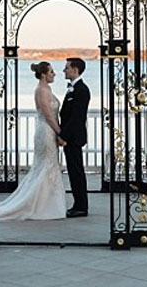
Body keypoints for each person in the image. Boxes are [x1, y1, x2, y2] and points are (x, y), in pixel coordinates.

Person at [0, 61, 66, 221]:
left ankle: (47, 202)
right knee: (45, 165)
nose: (54, 74)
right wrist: (61, 133)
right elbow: (48, 115)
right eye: (52, 72)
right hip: (46, 130)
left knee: (50, 165)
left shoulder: (47, 88)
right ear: (44, 74)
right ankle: (37, 204)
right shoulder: (41, 90)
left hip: (50, 130)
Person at [59, 57, 90, 218]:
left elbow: (76, 118)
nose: (64, 71)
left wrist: (63, 136)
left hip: (73, 138)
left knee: (76, 172)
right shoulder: (74, 88)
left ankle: (81, 206)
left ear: (75, 70)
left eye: (67, 68)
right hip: (70, 137)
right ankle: (79, 204)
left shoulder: (81, 90)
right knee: (73, 171)